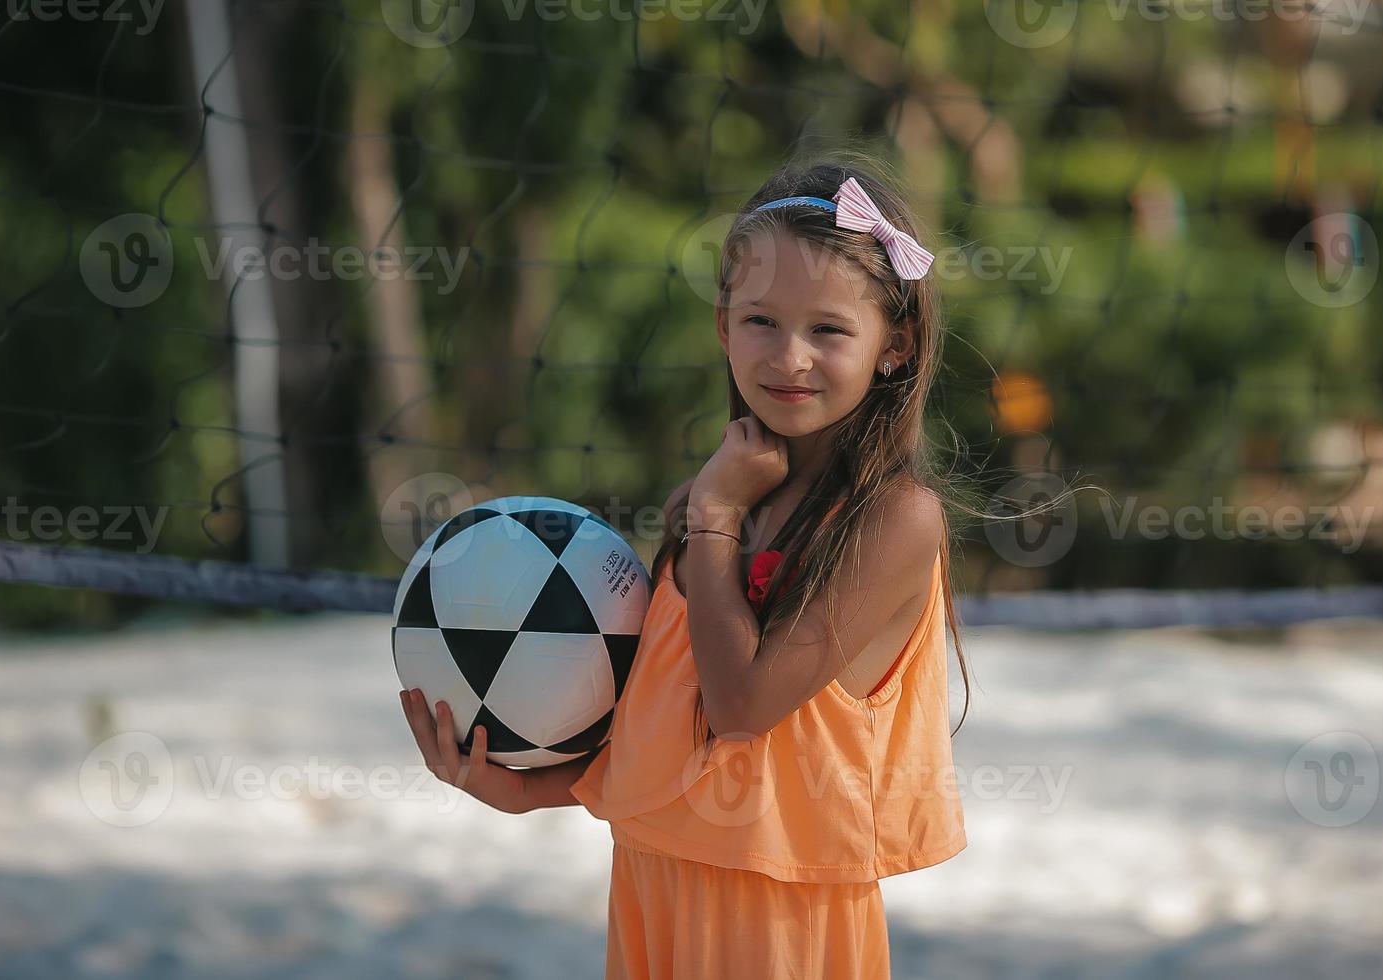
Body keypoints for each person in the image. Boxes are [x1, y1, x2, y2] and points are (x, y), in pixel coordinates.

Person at [400, 155, 974, 979]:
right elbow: (669, 722)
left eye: (829, 329)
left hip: (776, 916)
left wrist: (714, 517)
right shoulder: (713, 500)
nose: (790, 356)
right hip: (652, 883)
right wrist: (528, 787)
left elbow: (741, 707)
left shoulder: (892, 518)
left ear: (896, 345)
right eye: (761, 322)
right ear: (722, 325)